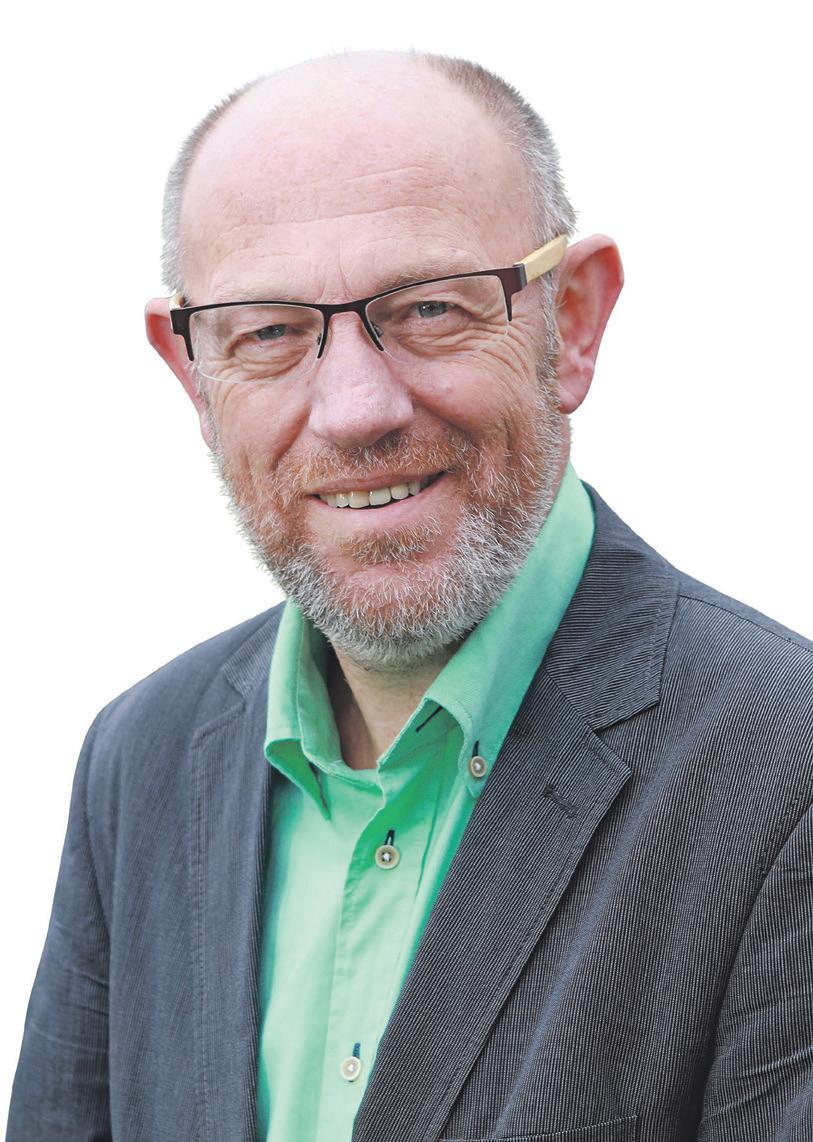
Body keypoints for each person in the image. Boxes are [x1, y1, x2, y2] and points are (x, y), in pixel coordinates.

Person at [7, 49, 812, 1142]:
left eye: (430, 307)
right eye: (269, 331)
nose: (354, 408)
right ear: (194, 372)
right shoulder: (139, 758)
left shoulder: (783, 769)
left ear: (573, 321)